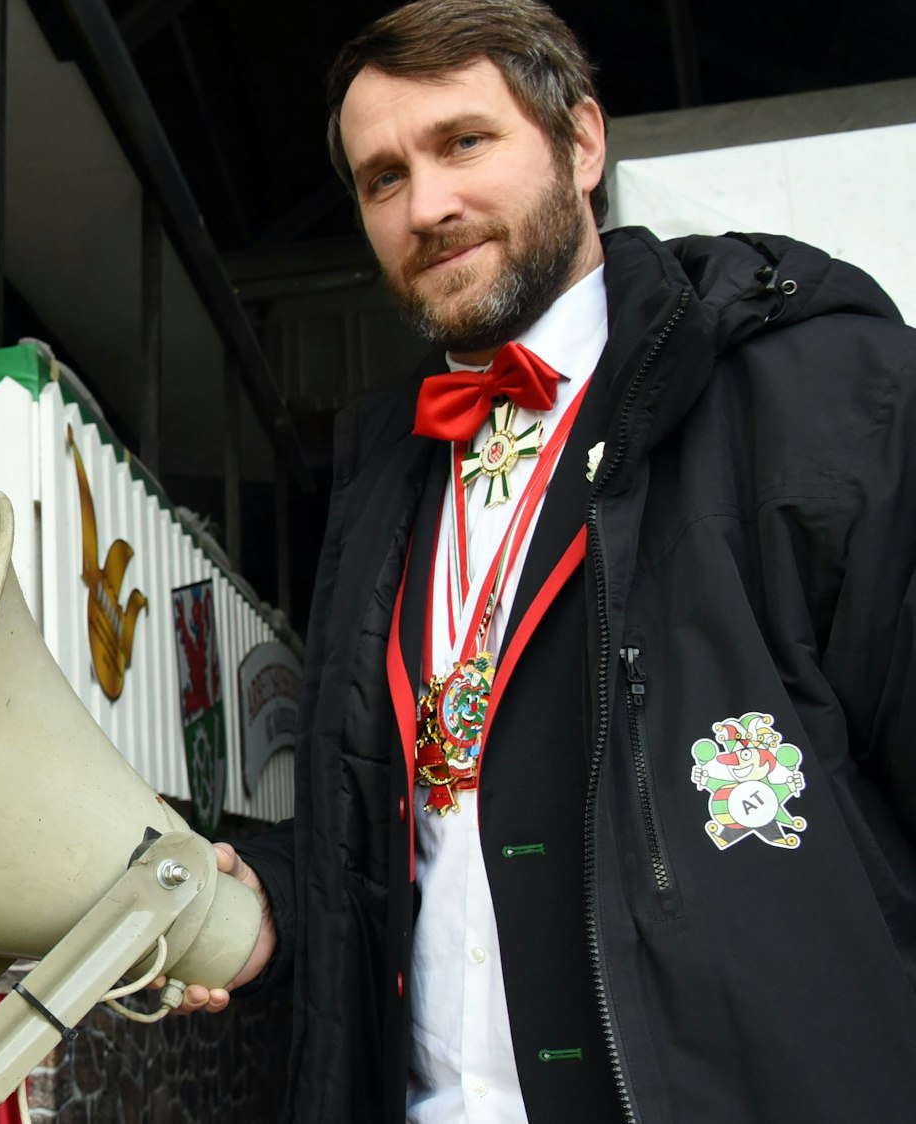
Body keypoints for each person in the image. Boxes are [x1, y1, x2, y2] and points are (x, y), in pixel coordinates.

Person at [174, 1, 916, 1120]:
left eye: (462, 142)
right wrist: (279, 897)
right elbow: (414, 808)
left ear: (580, 142)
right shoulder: (381, 480)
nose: (426, 205)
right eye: (382, 178)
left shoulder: (822, 388)